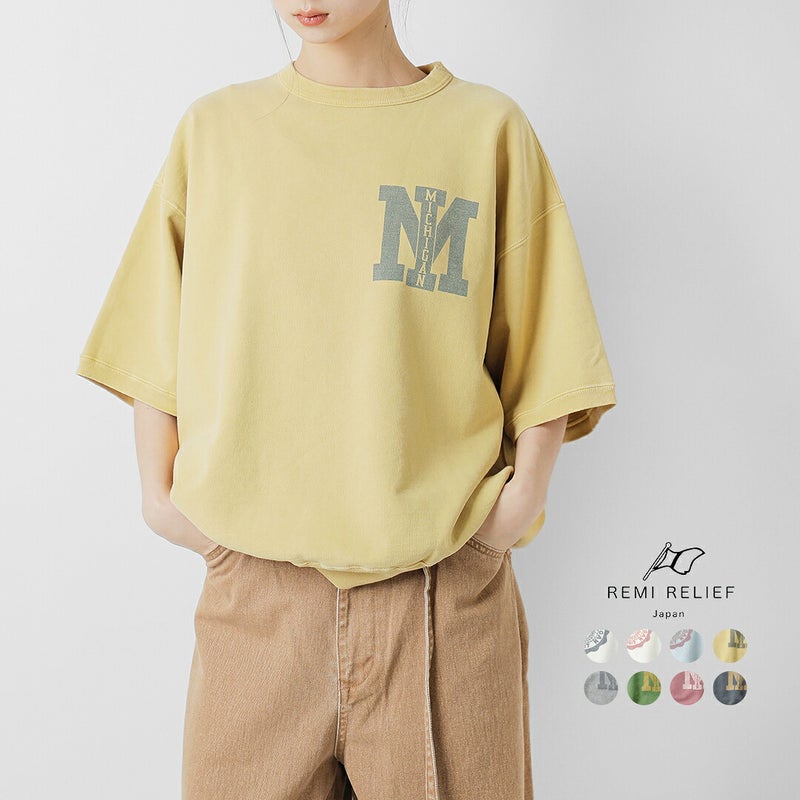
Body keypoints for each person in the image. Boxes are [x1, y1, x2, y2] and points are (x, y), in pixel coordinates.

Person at [75, 1, 617, 798]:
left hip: (439, 596)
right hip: (256, 601)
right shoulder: (217, 132)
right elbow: (152, 334)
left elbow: (549, 343)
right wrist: (163, 503)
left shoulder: (486, 131)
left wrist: (512, 510)